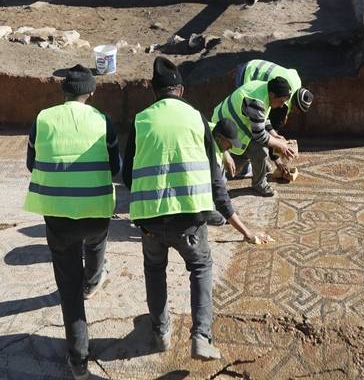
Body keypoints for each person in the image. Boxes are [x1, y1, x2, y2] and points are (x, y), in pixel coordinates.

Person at [123, 57, 236, 361]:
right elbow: (215, 174)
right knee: (200, 268)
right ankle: (201, 336)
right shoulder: (197, 118)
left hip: (150, 220)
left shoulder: (141, 119)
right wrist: (226, 213)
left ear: (153, 90)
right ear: (181, 90)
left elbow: (127, 173)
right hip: (189, 219)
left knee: (154, 269)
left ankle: (160, 332)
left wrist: (147, 201)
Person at [22, 64, 120, 380]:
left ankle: (78, 361)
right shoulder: (103, 121)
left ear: (63, 92)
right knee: (96, 241)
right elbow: (115, 167)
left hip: (58, 213)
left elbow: (30, 163)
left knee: (68, 288)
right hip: (95, 209)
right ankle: (93, 280)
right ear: (91, 92)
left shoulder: (43, 119)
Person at [210, 77, 295, 197]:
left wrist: (275, 135)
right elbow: (259, 135)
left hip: (232, 123)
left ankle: (254, 165)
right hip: (224, 129)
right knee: (260, 151)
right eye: (281, 101)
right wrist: (279, 144)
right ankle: (259, 184)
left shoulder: (264, 89)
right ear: (272, 95)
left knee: (258, 150)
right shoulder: (257, 101)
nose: (282, 106)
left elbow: (262, 118)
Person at [234, 59, 314, 181]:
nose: (295, 113)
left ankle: (258, 161)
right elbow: (263, 130)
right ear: (293, 102)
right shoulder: (283, 99)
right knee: (250, 128)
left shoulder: (295, 86)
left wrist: (275, 136)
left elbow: (267, 122)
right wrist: (277, 158)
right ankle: (244, 167)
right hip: (248, 74)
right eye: (296, 109)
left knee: (259, 124)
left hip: (254, 65)